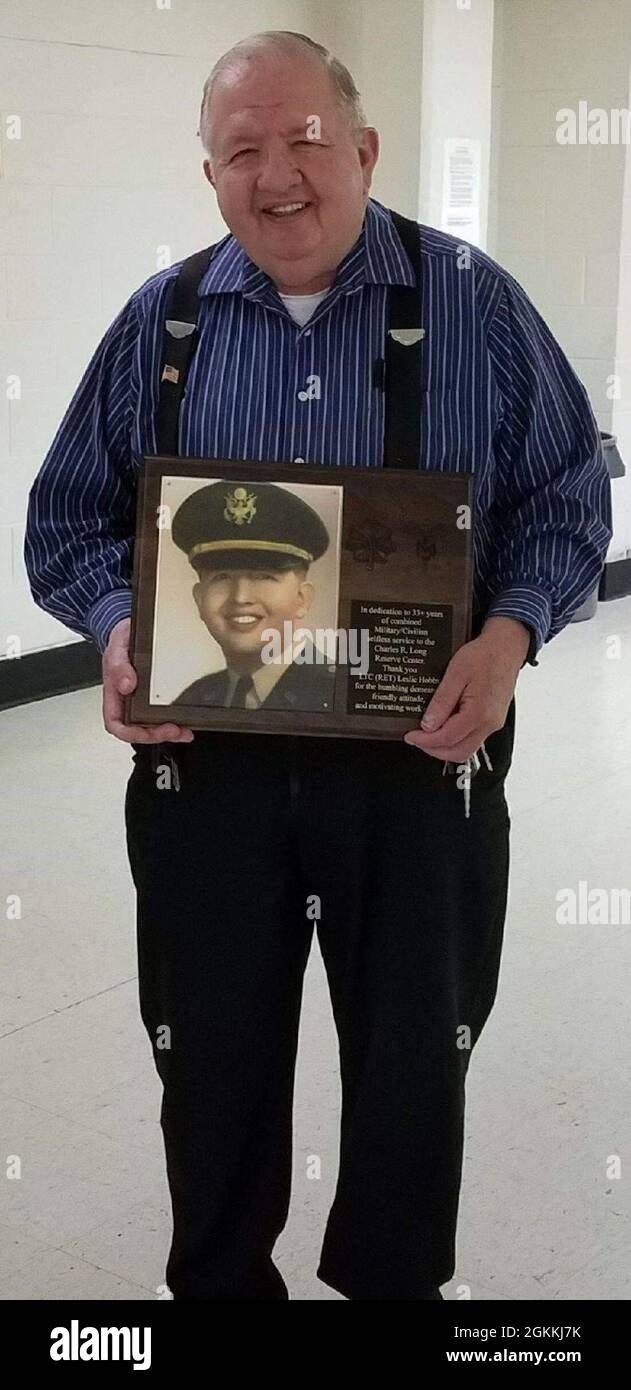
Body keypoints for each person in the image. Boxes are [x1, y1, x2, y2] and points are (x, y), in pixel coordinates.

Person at [24, 30, 612, 1300]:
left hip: (420, 761)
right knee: (213, 1057)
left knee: (412, 1060)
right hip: (207, 773)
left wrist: (509, 636)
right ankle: (221, 1285)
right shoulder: (162, 321)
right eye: (242, 149)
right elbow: (65, 516)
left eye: (301, 139)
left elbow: (569, 492)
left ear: (363, 148)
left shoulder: (474, 301)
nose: (276, 173)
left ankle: (393, 1289)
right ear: (211, 174)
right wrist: (123, 631)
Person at [169, 479, 336, 711]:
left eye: (263, 577)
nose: (240, 597)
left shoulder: (340, 695)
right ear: (199, 599)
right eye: (222, 577)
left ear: (302, 598)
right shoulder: (192, 700)